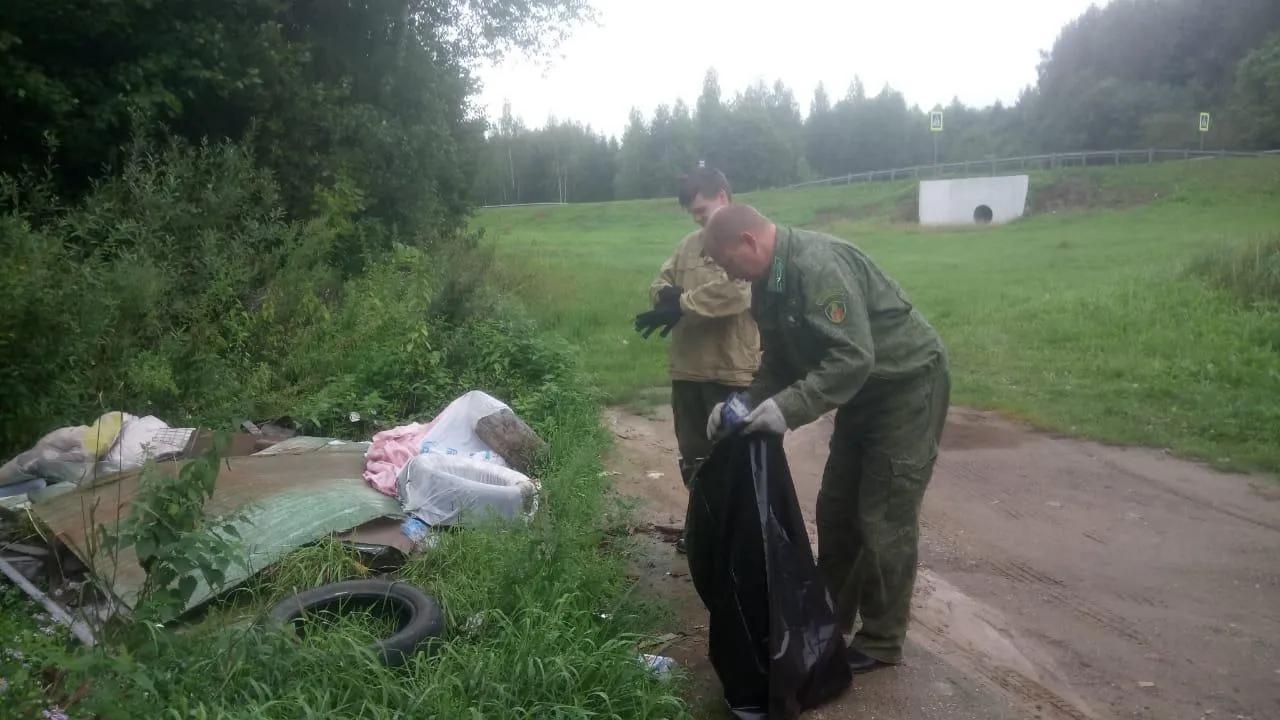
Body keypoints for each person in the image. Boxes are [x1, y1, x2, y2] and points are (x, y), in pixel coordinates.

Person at [701, 203, 950, 674]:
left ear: (750, 242)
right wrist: (742, 403)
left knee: (883, 516)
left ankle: (882, 638)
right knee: (835, 508)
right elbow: (779, 363)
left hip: (906, 386)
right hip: (860, 396)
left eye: (730, 263)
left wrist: (787, 409)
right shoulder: (767, 284)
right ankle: (829, 618)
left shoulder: (816, 267)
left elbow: (854, 357)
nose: (731, 275)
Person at [635, 167, 761, 552]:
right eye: (694, 214)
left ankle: (745, 542)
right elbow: (660, 282)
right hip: (687, 371)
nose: (699, 219)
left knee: (738, 461)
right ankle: (703, 529)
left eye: (703, 210)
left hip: (730, 370)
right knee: (694, 459)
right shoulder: (690, 244)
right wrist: (666, 299)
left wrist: (683, 304)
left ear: (723, 196)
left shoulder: (746, 239)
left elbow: (737, 293)